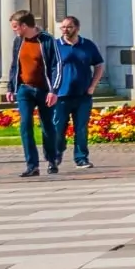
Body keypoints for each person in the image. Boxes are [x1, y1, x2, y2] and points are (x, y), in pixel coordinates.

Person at [5, 10, 61, 178]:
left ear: (24, 26)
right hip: (24, 89)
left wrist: (54, 91)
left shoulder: (46, 40)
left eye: (15, 27)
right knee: (25, 125)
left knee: (47, 126)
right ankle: (32, 165)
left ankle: (52, 160)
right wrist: (10, 87)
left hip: (44, 90)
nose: (14, 30)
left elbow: (56, 65)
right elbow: (15, 65)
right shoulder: (18, 41)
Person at [46, 15, 104, 171]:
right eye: (63, 27)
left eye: (69, 27)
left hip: (83, 95)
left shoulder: (88, 45)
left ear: (77, 28)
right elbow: (45, 69)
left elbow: (99, 65)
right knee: (58, 128)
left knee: (81, 128)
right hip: (61, 95)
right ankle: (55, 156)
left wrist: (93, 86)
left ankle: (81, 158)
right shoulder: (55, 45)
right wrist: (50, 90)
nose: (65, 30)